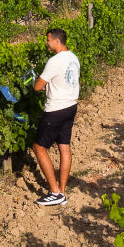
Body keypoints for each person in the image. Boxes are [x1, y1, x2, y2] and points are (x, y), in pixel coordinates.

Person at [32, 28, 80, 206]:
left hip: (56, 109)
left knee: (39, 148)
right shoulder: (73, 58)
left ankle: (54, 192)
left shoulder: (54, 61)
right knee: (64, 147)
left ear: (56, 41)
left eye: (48, 40)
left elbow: (37, 86)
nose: (47, 42)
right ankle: (62, 190)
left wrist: (39, 84)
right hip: (70, 106)